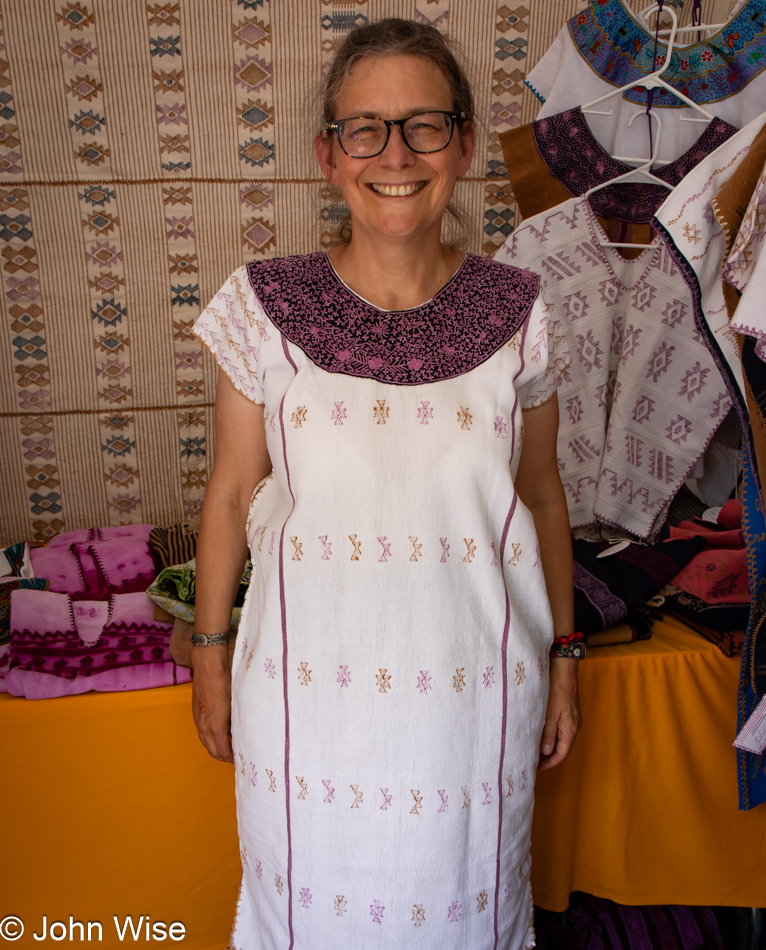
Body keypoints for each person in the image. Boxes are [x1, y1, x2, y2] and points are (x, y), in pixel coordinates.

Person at [190, 17, 580, 950]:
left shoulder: (518, 311)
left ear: (466, 146)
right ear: (329, 155)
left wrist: (567, 658)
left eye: (425, 125)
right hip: (308, 710)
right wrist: (208, 653)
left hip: (472, 709)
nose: (395, 154)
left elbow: (545, 496)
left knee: (469, 912)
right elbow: (232, 491)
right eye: (365, 128)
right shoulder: (264, 307)